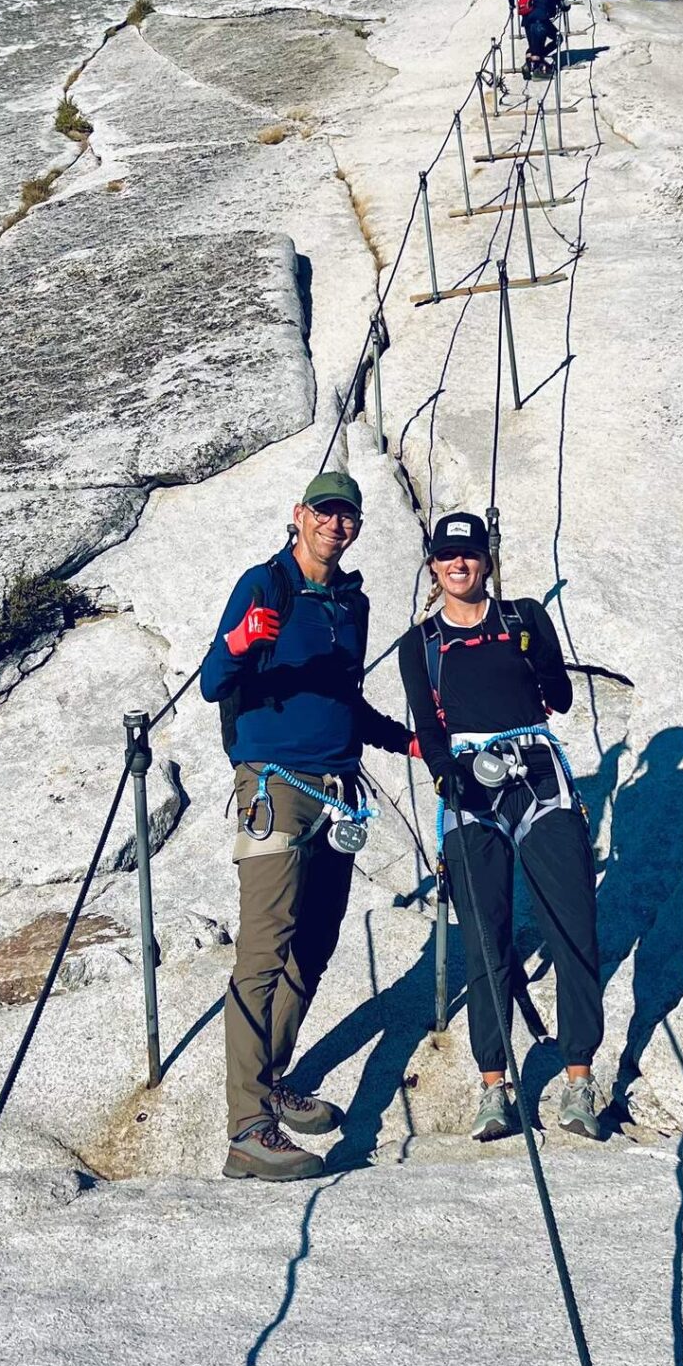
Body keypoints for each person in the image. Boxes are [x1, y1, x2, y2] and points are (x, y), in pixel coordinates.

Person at [200, 469, 411, 1181]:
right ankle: (248, 1128)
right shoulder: (264, 586)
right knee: (263, 953)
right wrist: (237, 643)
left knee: (315, 947)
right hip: (274, 786)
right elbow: (211, 684)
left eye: (347, 515)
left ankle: (273, 1080)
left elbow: (345, 699)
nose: (335, 523)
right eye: (324, 511)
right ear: (299, 516)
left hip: (340, 789)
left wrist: (406, 739)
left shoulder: (352, 602)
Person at [398, 513, 603, 1142]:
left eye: (469, 554)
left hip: (539, 774)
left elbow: (560, 699)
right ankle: (495, 1087)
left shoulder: (523, 618)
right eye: (447, 555)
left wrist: (541, 665)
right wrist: (441, 774)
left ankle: (579, 1079)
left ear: (486, 561)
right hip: (468, 783)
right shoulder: (420, 643)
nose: (459, 564)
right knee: (486, 937)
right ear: (433, 565)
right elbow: (430, 731)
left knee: (572, 925)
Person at [509, 0, 566, 78]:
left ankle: (529, 64)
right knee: (557, 38)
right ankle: (538, 68)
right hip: (540, 18)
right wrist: (560, 2)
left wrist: (512, 5)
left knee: (534, 47)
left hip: (527, 20)